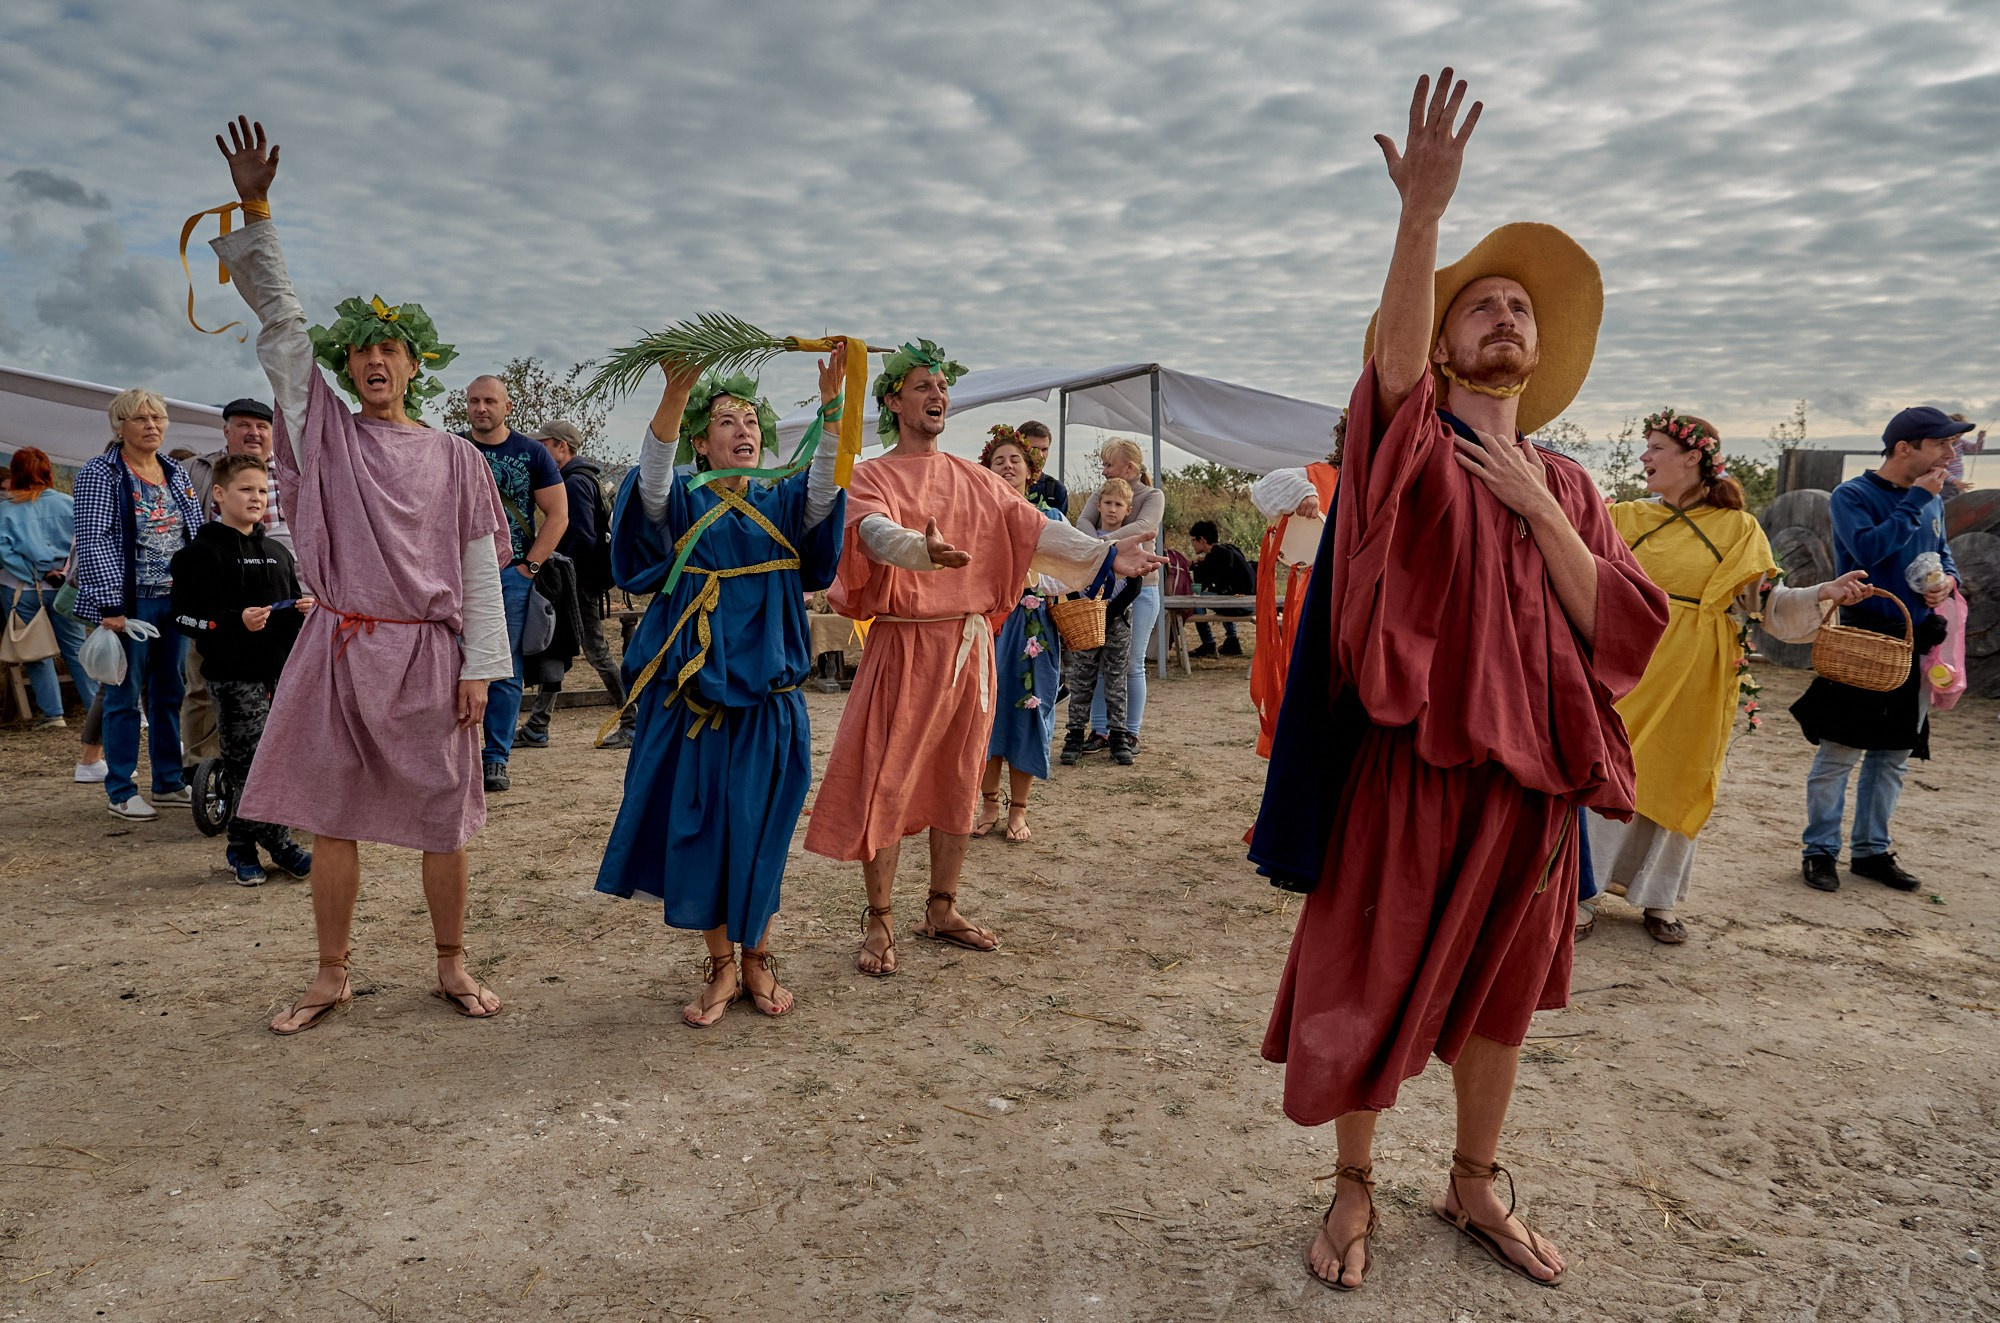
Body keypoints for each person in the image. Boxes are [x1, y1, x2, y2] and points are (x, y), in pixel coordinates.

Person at [1249, 71, 1669, 1292]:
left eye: (1516, 311)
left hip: (1530, 789)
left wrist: (1543, 511)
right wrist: (1419, 216)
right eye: (1477, 307)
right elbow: (1383, 377)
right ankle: (1351, 1185)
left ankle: (1473, 1180)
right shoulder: (1413, 447)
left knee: (1500, 993)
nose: (1501, 319)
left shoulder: (1577, 490)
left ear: (1539, 352)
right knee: (1369, 974)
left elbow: (1622, 631)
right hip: (1411, 769)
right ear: (1441, 342)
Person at [210, 116, 512, 1034]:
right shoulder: (327, 438)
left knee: (442, 818)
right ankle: (331, 971)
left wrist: (479, 669)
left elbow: (476, 569)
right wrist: (259, 210)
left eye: (392, 351)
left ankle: (452, 965)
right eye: (361, 353)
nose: (374, 361)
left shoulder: (458, 456)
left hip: (428, 656)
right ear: (348, 368)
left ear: (417, 364)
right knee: (331, 815)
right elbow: (285, 331)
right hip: (341, 649)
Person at [804, 341, 1161, 976]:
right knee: (889, 776)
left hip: (969, 644)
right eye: (921, 386)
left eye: (941, 386)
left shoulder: (975, 479)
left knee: (959, 775)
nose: (936, 395)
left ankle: (942, 907)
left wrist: (1107, 557)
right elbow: (869, 533)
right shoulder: (872, 475)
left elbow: (1033, 529)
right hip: (904, 643)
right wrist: (919, 550)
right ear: (893, 401)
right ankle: (880, 919)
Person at [593, 353, 847, 1025]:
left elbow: (824, 494)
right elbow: (646, 492)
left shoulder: (784, 500)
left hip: (769, 703)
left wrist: (832, 406)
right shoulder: (683, 498)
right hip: (695, 704)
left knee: (761, 833)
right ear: (700, 442)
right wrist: (674, 397)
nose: (743, 430)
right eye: (724, 421)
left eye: (751, 421)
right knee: (702, 834)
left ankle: (759, 957)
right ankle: (721, 964)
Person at [1790, 405, 1968, 894]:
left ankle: (1871, 852)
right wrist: (1915, 500)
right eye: (1943, 444)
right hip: (1864, 640)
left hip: (1918, 640)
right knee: (1839, 752)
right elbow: (1867, 552)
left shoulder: (1933, 499)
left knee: (1893, 756)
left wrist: (1945, 582)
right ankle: (1820, 851)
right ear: (1905, 448)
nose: (1952, 454)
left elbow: (1944, 555)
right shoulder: (1854, 495)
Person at [168, 453, 316, 885]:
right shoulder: (199, 554)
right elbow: (183, 618)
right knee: (251, 763)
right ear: (219, 494)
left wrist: (302, 610)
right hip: (233, 675)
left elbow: (287, 610)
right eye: (245, 489)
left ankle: (242, 842)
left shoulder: (276, 552)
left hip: (280, 676)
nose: (256, 498)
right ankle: (273, 844)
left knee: (274, 760)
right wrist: (231, 622)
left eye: (262, 491)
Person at [72, 388, 204, 820]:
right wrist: (111, 605)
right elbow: (95, 541)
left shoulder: (174, 471)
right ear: (120, 426)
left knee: (170, 692)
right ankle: (121, 788)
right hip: (130, 604)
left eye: (157, 418)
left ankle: (168, 780)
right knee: (123, 695)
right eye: (140, 418)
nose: (151, 425)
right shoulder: (102, 473)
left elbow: (194, 530)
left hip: (174, 599)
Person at [462, 374, 569, 792]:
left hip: (510, 575)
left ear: (507, 407)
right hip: (456, 574)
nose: (481, 408)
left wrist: (530, 568)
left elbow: (558, 515)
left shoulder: (530, 454)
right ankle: (461, 756)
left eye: (490, 400)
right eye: (474, 401)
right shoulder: (453, 448)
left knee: (504, 667)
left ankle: (495, 758)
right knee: (449, 663)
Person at [517, 420, 635, 751]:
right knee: (557, 648)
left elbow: (582, 538)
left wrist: (556, 562)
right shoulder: (581, 479)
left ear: (562, 447)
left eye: (545, 444)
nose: (539, 449)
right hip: (577, 582)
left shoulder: (574, 484)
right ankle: (538, 726)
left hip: (577, 584)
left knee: (596, 652)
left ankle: (632, 721)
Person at [180, 397, 285, 768]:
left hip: (280, 597)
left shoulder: (294, 472)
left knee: (281, 683)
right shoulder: (200, 469)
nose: (253, 433)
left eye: (262, 427)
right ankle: (204, 769)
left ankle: (270, 769)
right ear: (226, 431)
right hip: (218, 597)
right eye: (243, 425)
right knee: (204, 682)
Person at [973, 426, 1067, 842]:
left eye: (1016, 460)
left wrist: (1028, 579)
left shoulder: (1052, 518)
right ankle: (988, 803)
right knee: (984, 715)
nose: (1008, 466)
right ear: (987, 471)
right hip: (988, 625)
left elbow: (1068, 573)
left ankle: (1020, 810)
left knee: (1029, 714)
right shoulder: (975, 516)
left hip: (1033, 628)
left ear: (1031, 470)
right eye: (999, 460)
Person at [0, 447, 98, 745]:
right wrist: (64, 570)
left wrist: (36, 572)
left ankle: (52, 714)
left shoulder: (5, 510)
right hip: (65, 588)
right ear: (47, 471)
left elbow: (4, 552)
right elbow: (85, 543)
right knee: (77, 649)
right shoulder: (70, 503)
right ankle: (95, 707)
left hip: (22, 589)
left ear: (15, 473)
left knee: (35, 650)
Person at [1248, 445, 1340, 755]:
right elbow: (1265, 488)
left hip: (1375, 607)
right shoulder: (1321, 476)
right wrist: (1303, 493)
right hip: (1323, 601)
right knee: (1315, 690)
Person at [1076, 438, 1165, 751]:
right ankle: (1100, 730)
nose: (1103, 471)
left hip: (1140, 589)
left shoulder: (1152, 495)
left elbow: (1145, 524)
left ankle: (1130, 731)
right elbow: (1084, 520)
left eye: (1108, 464)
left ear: (1129, 468)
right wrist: (1098, 546)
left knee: (1131, 663)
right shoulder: (1101, 494)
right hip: (1102, 588)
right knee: (1101, 660)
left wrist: (1105, 543)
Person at [1060, 478, 1143, 768]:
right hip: (1086, 619)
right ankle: (1074, 734)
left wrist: (1108, 615)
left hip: (1117, 619)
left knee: (1116, 678)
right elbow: (1071, 576)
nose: (1112, 509)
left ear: (1127, 511)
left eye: (1118, 505)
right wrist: (1081, 605)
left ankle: (1118, 735)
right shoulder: (1085, 541)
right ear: (1098, 505)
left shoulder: (1128, 545)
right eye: (1107, 503)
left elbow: (1135, 585)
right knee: (1082, 677)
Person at [1186, 518, 1253, 658]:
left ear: (1202, 540)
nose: (1192, 544)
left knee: (1196, 600)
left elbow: (1201, 586)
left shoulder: (1215, 556)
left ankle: (1208, 643)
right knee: (1224, 595)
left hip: (1241, 605)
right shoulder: (1229, 549)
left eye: (1193, 540)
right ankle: (1232, 639)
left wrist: (1195, 566)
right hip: (1250, 602)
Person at [1018, 420, 1069, 515]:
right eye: (1034, 449)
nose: (1040, 455)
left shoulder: (1056, 490)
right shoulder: (1002, 484)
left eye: (1044, 449)